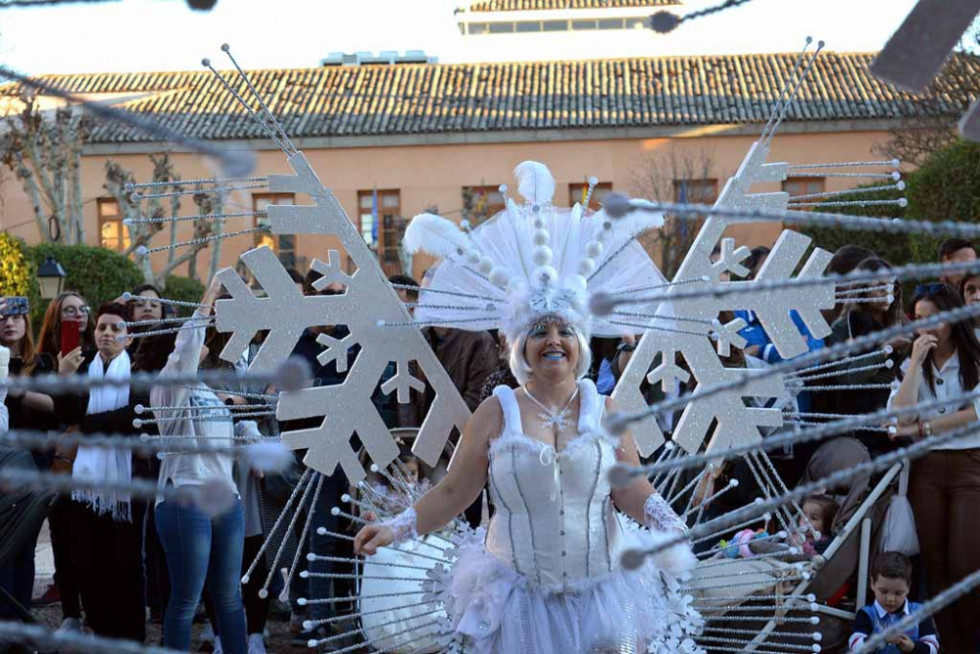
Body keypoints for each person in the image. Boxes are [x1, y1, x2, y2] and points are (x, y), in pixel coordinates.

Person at [354, 162, 703, 653]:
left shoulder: (607, 410)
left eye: (564, 330)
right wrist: (396, 527)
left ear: (581, 340)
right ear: (520, 344)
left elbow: (631, 490)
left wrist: (668, 523)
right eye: (539, 330)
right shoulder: (497, 412)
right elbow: (455, 491)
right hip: (517, 604)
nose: (553, 341)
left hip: (603, 597)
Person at [151, 278, 249, 654]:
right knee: (186, 600)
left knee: (230, 598)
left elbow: (226, 446)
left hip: (227, 499)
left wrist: (246, 428)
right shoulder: (169, 386)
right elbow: (187, 348)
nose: (206, 340)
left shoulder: (210, 391)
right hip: (185, 496)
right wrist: (209, 297)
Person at [888, 284, 980, 653]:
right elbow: (900, 416)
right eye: (920, 319)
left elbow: (975, 414)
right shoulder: (911, 363)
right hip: (925, 469)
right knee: (936, 566)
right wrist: (913, 363)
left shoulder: (974, 356)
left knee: (965, 561)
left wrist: (923, 428)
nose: (927, 327)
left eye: (935, 318)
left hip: (970, 464)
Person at [53, 301, 147, 642]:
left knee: (126, 563)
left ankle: (131, 636)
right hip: (85, 484)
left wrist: (88, 425)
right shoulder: (80, 370)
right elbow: (66, 414)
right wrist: (64, 378)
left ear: (129, 336)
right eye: (102, 328)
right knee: (88, 561)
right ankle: (100, 628)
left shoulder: (138, 373)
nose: (107, 333)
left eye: (115, 328)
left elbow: (133, 419)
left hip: (127, 483)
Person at [0, 298, 56, 623]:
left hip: (34, 463)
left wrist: (18, 392)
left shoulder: (43, 364)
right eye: (3, 318)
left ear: (26, 322)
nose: (9, 323)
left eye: (16, 317)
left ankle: (18, 619)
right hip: (3, 461)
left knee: (24, 545)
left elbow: (59, 407)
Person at [815, 257, 906, 456]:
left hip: (896, 424)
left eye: (892, 287)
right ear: (863, 288)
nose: (887, 293)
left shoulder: (900, 327)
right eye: (880, 286)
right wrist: (885, 350)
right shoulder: (843, 328)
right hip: (855, 428)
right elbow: (847, 377)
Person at [848, 552, 939, 654]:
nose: (891, 599)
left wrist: (913, 647)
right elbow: (855, 646)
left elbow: (933, 648)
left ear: (908, 587)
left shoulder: (920, 612)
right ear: (873, 584)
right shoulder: (867, 614)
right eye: (884, 591)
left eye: (898, 593)